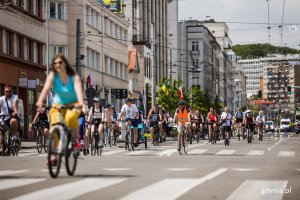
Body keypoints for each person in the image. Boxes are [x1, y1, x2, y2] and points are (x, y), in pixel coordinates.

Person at [36, 54, 84, 163]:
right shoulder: (53, 75)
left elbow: (78, 90)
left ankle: (76, 139)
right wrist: (40, 101)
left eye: (60, 62)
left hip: (73, 103)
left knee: (71, 118)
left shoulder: (73, 76)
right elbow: (46, 89)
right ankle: (53, 155)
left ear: (65, 63)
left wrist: (80, 102)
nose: (58, 65)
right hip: (58, 104)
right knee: (54, 127)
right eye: (55, 63)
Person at [0, 85, 20, 152]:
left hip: (12, 116)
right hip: (4, 118)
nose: (7, 93)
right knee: (1, 132)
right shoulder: (1, 99)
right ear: (4, 92)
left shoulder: (15, 97)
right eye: (6, 92)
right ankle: (2, 148)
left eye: (9, 91)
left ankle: (14, 135)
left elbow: (14, 105)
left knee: (13, 121)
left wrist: (15, 112)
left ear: (12, 91)